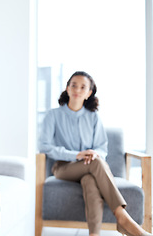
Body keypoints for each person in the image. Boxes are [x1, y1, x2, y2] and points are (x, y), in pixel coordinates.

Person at [38, 71, 151, 236]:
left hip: (89, 167)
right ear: (67, 88)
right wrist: (76, 155)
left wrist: (93, 153)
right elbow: (45, 147)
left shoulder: (93, 117)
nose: (77, 89)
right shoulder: (53, 115)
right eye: (73, 85)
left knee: (90, 180)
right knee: (96, 163)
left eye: (83, 87)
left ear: (89, 93)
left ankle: (94, 234)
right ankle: (122, 217)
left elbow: (101, 148)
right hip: (64, 167)